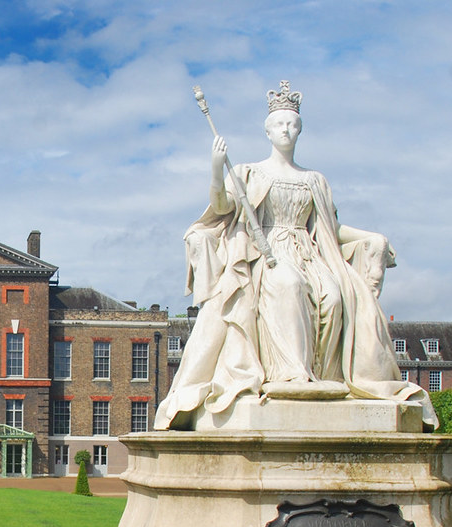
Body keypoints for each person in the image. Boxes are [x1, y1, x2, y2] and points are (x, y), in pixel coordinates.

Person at [155, 81, 437, 431]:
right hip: (266, 253)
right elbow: (222, 206)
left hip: (310, 252)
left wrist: (371, 238)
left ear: (299, 130)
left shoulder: (314, 180)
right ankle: (290, 374)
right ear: (268, 131)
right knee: (286, 284)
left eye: (292, 125)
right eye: (279, 125)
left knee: (334, 297)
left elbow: (331, 230)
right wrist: (215, 167)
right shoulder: (247, 172)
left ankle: (323, 376)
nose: (286, 130)